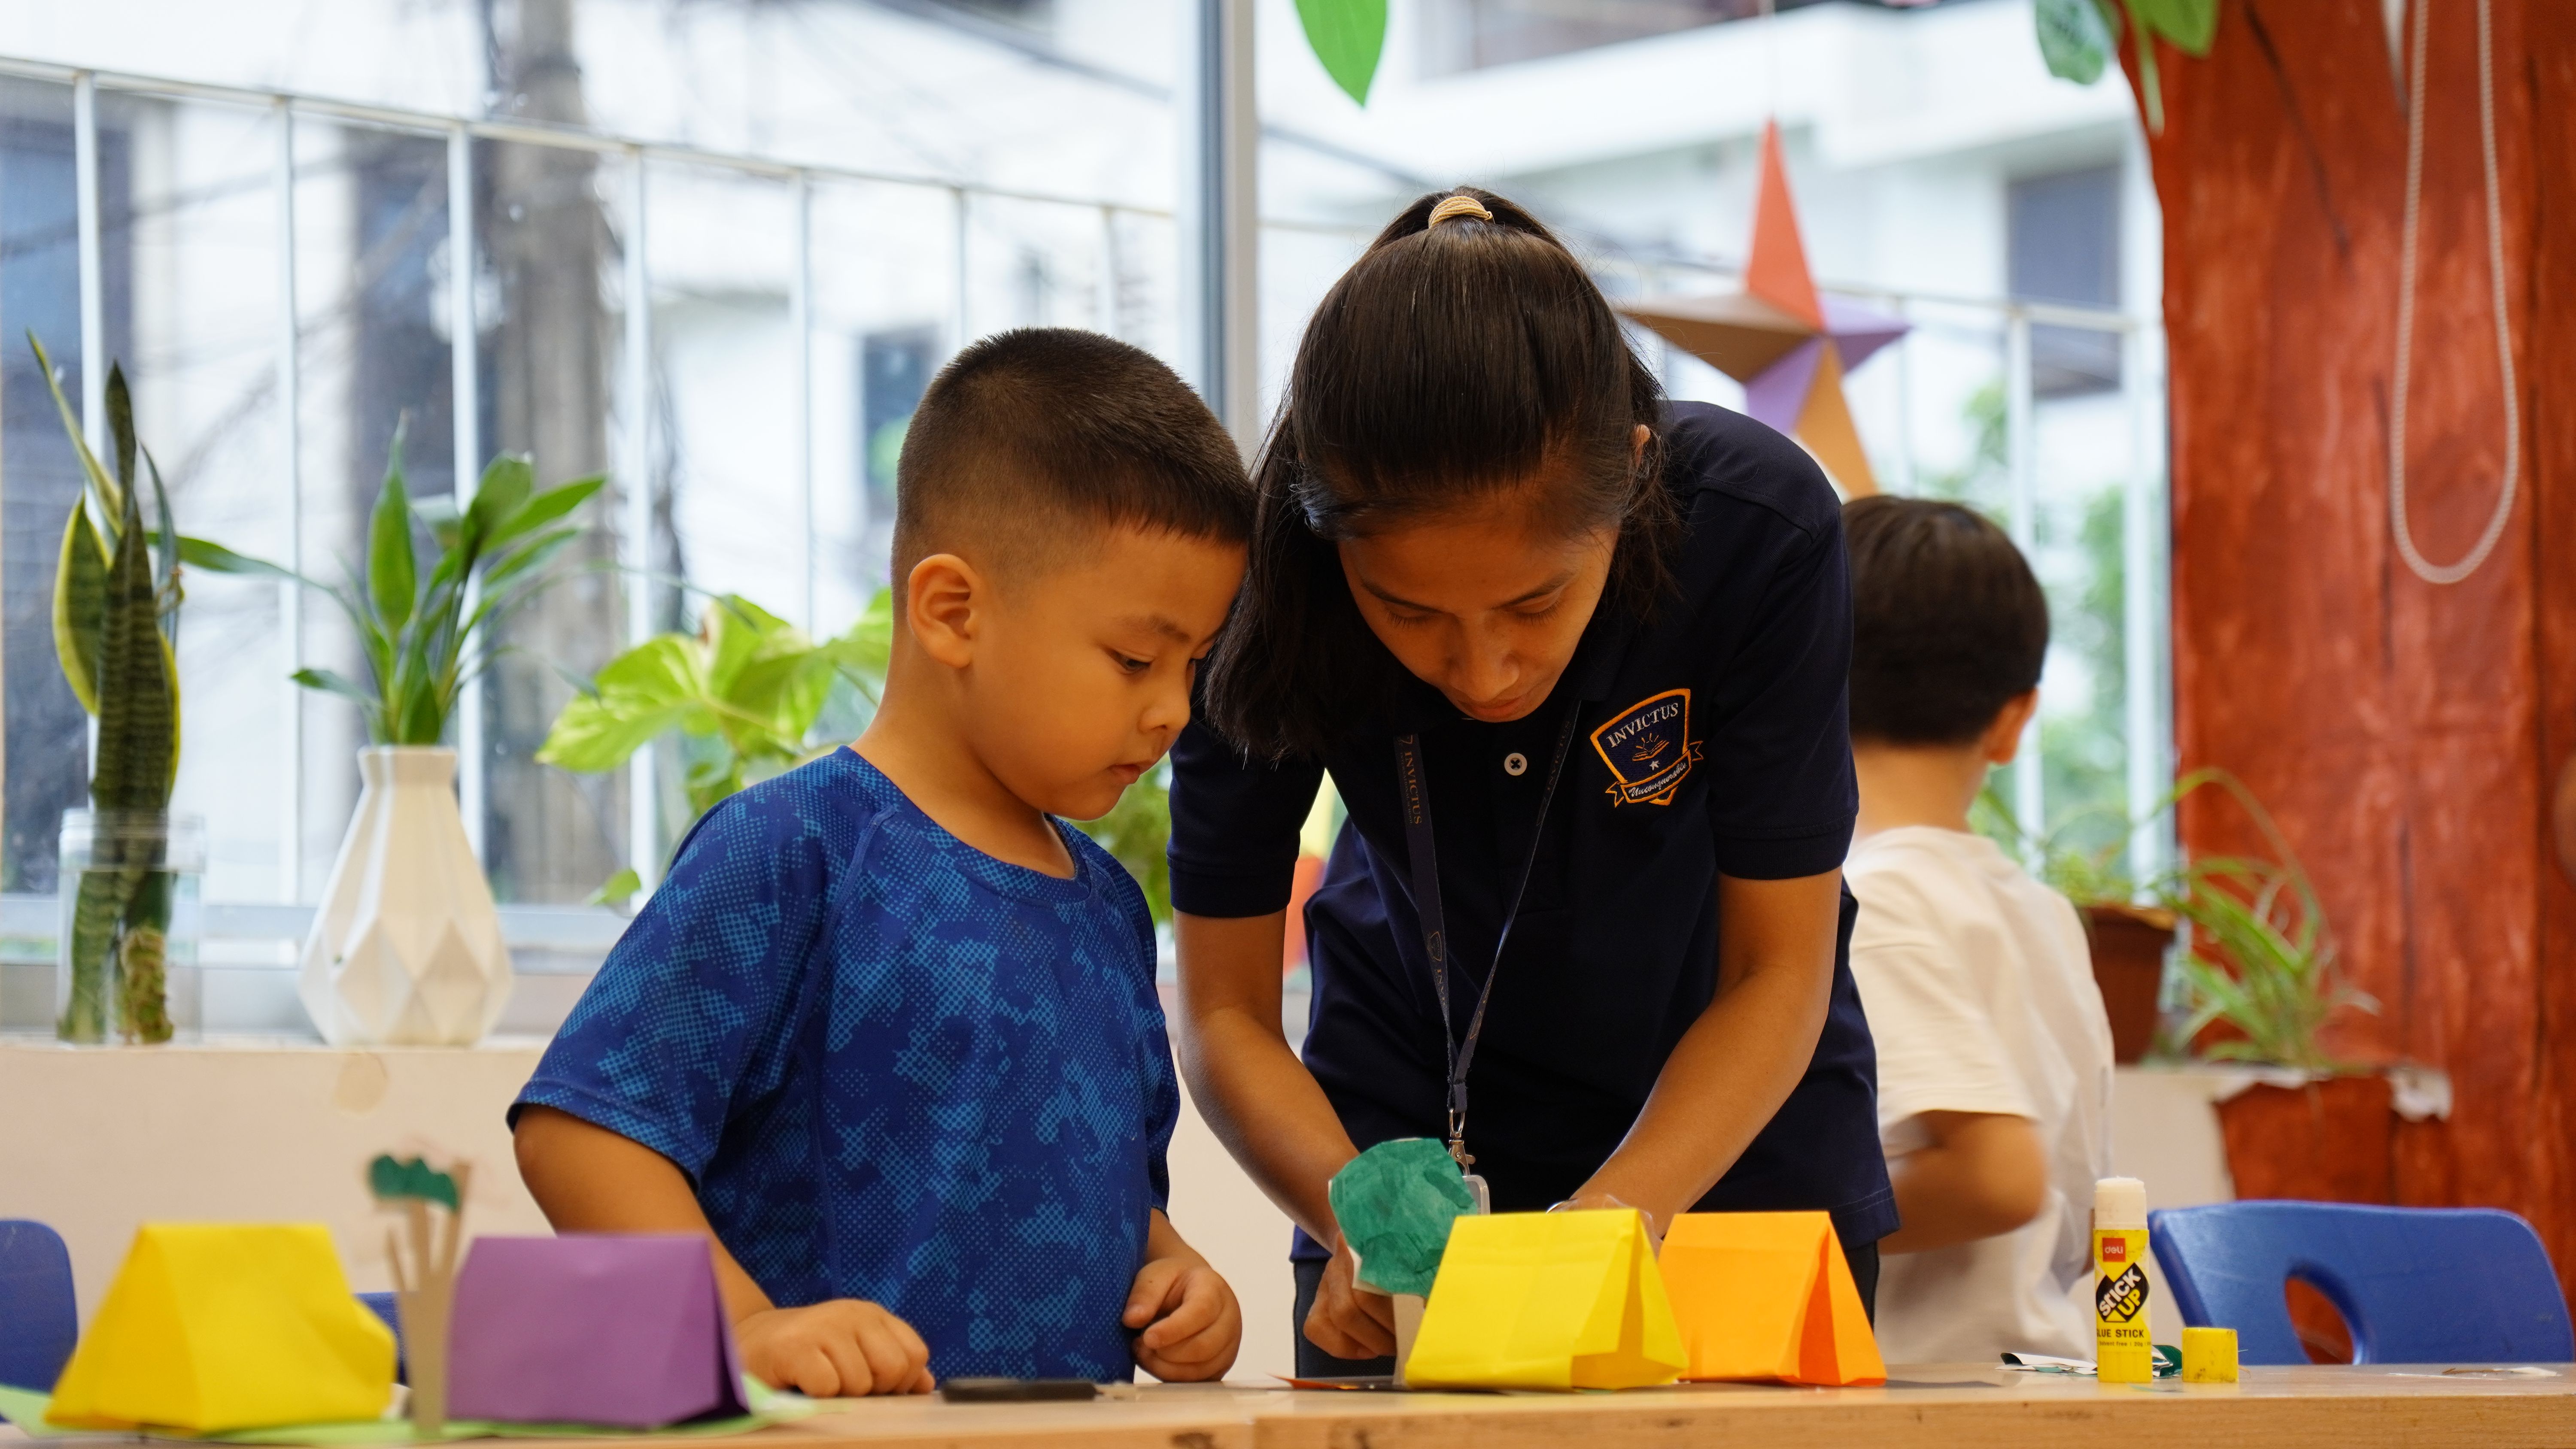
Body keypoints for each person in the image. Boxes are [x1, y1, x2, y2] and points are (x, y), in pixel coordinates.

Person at [1168, 188, 1894, 1375]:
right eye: (1406, 611)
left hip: (1726, 1145)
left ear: (1634, 478)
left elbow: (1778, 968)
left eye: (1535, 602)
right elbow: (1224, 1008)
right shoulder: (1268, 579)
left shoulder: (1756, 531)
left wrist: (1610, 1229)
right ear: (1325, 536)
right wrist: (1350, 1207)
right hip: (1397, 1172)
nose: (1482, 668)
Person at [510, 328, 1251, 1394]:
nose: (1174, 707)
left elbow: (1089, 1175)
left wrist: (1170, 1269)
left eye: (1194, 663)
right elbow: (580, 1133)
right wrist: (747, 1329)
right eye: (1137, 657)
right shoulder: (792, 851)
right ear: (954, 611)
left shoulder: (1111, 910)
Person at [1839, 494, 2114, 1364]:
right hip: (2039, 1368)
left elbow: (1998, 1175)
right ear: (2014, 719)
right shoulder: (2042, 912)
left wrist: (1785, 1214)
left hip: (1931, 1393)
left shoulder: (1868, 899)